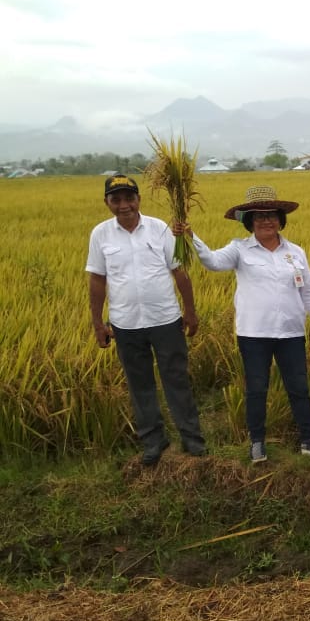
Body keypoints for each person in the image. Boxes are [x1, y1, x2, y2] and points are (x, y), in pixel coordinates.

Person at [174, 186, 310, 464]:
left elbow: (309, 291)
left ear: (280, 219)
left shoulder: (295, 252)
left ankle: (308, 440)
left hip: (291, 332)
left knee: (299, 388)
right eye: (258, 216)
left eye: (271, 215)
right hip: (254, 334)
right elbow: (212, 262)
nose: (265, 220)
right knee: (256, 389)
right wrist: (190, 236)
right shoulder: (239, 249)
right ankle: (257, 442)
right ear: (248, 221)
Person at [86, 174, 206, 466]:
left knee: (176, 378)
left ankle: (192, 438)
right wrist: (98, 323)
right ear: (107, 203)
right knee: (140, 384)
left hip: (165, 319)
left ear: (139, 199)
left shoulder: (160, 229)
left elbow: (179, 272)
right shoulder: (100, 234)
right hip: (125, 324)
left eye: (129, 198)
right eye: (116, 200)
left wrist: (190, 312)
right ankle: (153, 441)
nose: (124, 205)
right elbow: (97, 279)